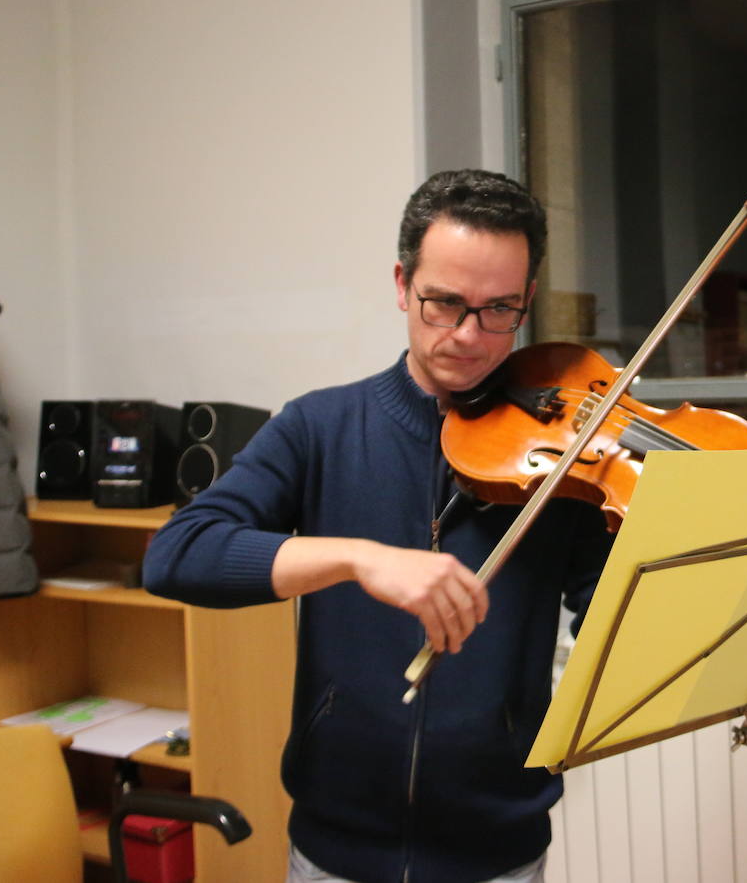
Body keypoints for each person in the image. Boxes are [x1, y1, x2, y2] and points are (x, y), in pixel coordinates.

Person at [143, 170, 614, 883]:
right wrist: (358, 559)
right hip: (337, 851)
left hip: (499, 853)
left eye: (498, 311)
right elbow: (179, 554)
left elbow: (615, 609)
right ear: (402, 283)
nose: (467, 335)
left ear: (527, 302)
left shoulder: (562, 457)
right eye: (444, 303)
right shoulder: (320, 427)